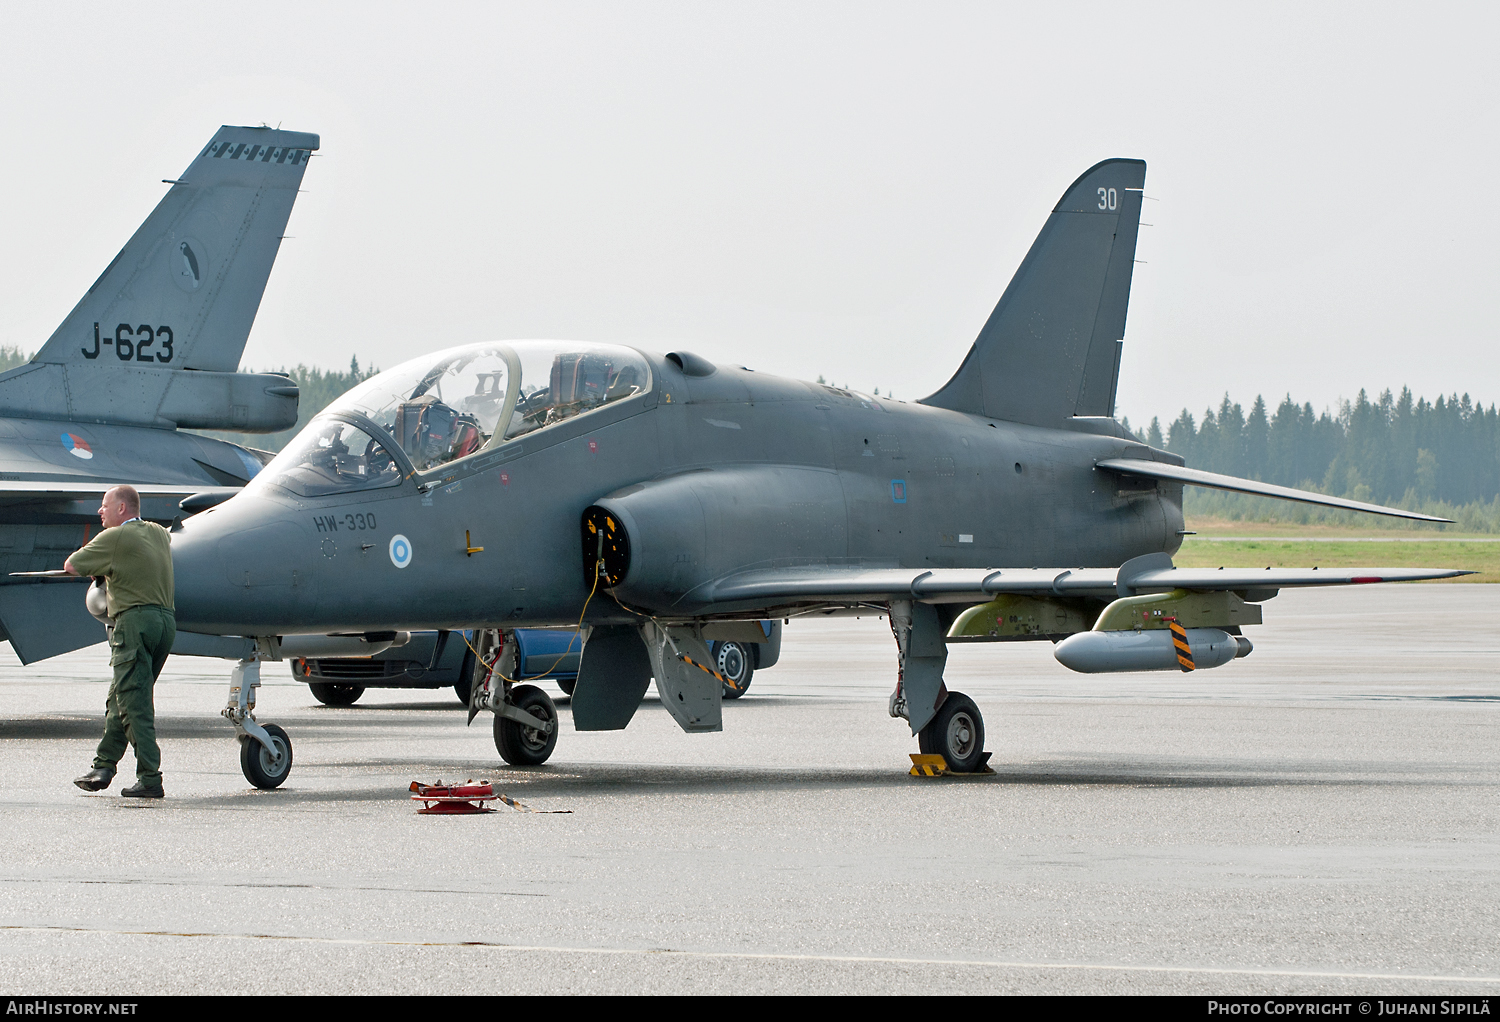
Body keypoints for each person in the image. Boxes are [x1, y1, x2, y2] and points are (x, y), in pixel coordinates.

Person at [65, 485, 176, 798]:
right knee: (122, 696)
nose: (100, 511)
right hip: (164, 623)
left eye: (105, 506)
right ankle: (103, 766)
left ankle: (150, 778)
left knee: (134, 703)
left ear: (123, 509)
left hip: (134, 624)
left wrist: (101, 569)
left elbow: (72, 565)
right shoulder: (157, 532)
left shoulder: (114, 537)